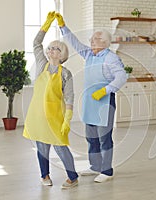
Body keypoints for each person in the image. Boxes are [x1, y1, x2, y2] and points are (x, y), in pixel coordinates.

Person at [55, 13, 127, 183]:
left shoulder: (111, 57)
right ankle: (95, 166)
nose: (91, 41)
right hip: (89, 102)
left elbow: (122, 77)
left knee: (104, 138)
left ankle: (107, 170)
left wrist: (106, 90)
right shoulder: (89, 54)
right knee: (91, 137)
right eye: (91, 39)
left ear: (104, 42)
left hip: (104, 103)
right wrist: (63, 27)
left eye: (94, 39)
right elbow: (74, 43)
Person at [23, 11, 78, 189]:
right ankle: (44, 175)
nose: (51, 50)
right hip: (37, 115)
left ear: (62, 55)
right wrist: (47, 24)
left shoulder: (66, 74)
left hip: (55, 116)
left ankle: (73, 177)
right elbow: (36, 43)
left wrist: (68, 118)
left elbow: (69, 96)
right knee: (41, 146)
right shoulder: (41, 63)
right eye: (51, 47)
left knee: (61, 147)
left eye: (56, 48)